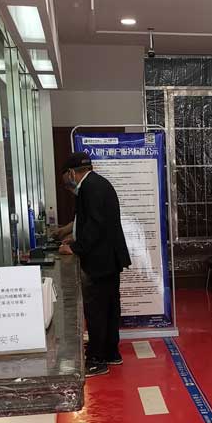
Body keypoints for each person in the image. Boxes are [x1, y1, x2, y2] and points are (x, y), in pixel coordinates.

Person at [56, 152, 131, 377]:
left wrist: (75, 248)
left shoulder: (89, 188)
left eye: (65, 178)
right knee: (109, 307)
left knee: (97, 310)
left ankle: (97, 359)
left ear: (71, 173)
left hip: (100, 260)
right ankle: (110, 352)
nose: (66, 184)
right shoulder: (99, 184)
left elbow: (95, 225)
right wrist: (73, 237)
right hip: (109, 258)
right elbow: (91, 222)